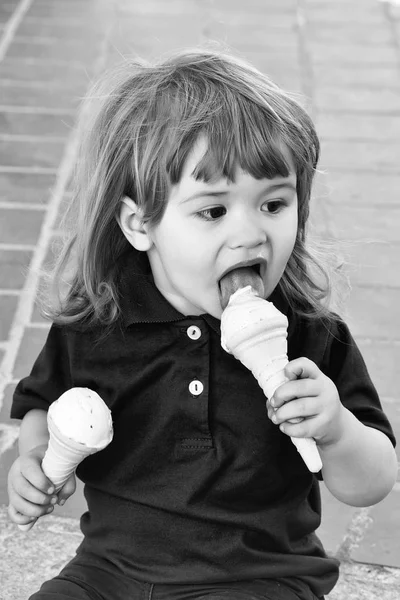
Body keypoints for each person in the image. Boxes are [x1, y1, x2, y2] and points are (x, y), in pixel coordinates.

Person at [7, 48, 397, 600]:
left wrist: (336, 431)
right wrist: (34, 460)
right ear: (141, 224)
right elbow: (44, 407)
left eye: (274, 204)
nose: (250, 234)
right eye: (214, 211)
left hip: (259, 580)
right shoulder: (98, 325)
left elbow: (372, 482)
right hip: (109, 574)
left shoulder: (310, 335)